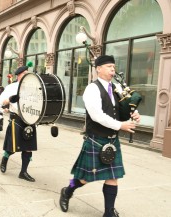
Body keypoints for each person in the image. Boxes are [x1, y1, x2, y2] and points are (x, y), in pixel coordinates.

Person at [58, 55, 141, 217]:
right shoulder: (92, 89)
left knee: (113, 177)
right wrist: (120, 126)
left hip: (112, 140)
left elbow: (124, 107)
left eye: (114, 67)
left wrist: (135, 114)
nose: (112, 69)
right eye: (109, 66)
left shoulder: (116, 88)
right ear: (98, 68)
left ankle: (108, 212)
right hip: (96, 139)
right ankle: (67, 191)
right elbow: (97, 115)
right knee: (84, 178)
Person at [0, 65, 37, 182]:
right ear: (19, 75)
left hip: (30, 120)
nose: (27, 75)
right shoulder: (11, 87)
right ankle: (4, 159)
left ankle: (23, 172)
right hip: (17, 119)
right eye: (25, 73)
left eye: (27, 73)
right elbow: (2, 102)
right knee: (13, 147)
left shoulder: (33, 87)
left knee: (28, 148)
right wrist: (10, 100)